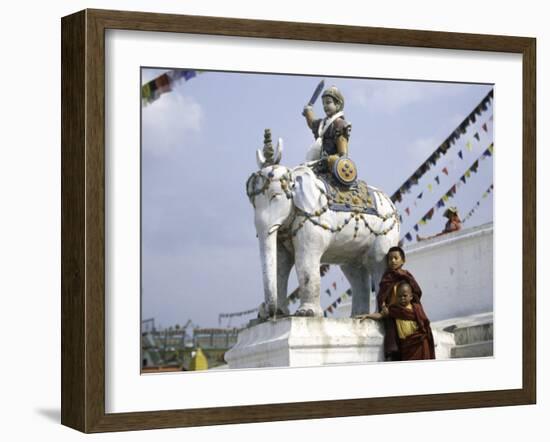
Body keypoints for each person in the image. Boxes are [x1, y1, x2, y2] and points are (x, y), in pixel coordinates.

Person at [358, 281, 435, 361]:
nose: (402, 298)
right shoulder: (394, 309)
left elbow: (425, 323)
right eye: (399, 296)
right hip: (406, 345)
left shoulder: (416, 308)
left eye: (405, 296)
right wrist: (368, 315)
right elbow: (380, 315)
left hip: (419, 342)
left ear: (411, 296)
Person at [369, 246, 423, 360]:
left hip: (407, 312)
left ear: (403, 260)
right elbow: (381, 296)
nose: (392, 261)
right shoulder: (386, 278)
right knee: (393, 342)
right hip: (392, 313)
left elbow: (417, 292)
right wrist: (383, 307)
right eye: (390, 259)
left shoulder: (407, 276)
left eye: (395, 258)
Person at [302, 86, 352, 173]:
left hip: (331, 167)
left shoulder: (340, 124)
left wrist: (328, 160)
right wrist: (308, 111)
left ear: (338, 104)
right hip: (317, 165)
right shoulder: (322, 124)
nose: (325, 106)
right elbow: (312, 123)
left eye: (328, 102)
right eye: (323, 104)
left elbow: (343, 155)